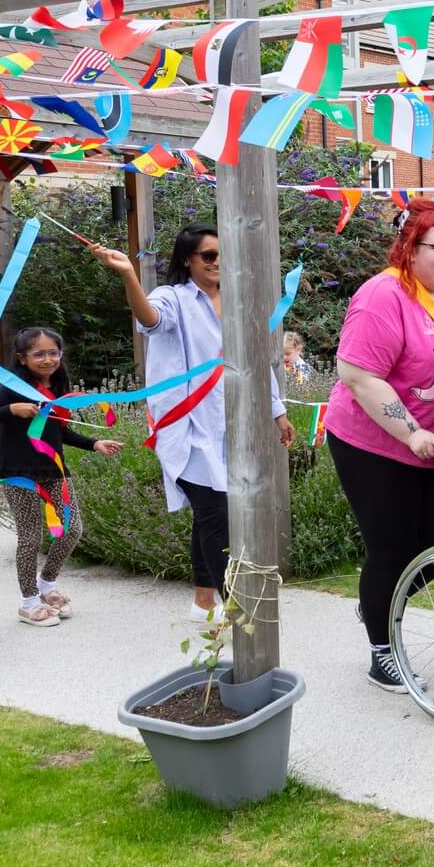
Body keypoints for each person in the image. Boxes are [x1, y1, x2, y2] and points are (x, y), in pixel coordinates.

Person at [324, 200, 434, 691]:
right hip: (372, 442)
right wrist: (409, 431)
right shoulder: (383, 295)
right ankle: (382, 648)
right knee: (391, 547)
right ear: (408, 250)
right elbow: (357, 374)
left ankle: (379, 601)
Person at [94, 225, 292, 626]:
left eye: (222, 255)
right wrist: (129, 274)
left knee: (211, 515)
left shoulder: (239, 302)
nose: (217, 262)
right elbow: (149, 320)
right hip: (186, 428)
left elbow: (256, 359)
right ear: (188, 260)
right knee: (215, 512)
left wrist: (277, 410)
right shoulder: (173, 298)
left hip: (232, 429)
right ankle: (237, 606)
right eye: (208, 255)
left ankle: (203, 602)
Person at [0, 328, 122, 626]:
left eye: (53, 352)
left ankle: (47, 584)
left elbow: (59, 431)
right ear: (21, 358)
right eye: (38, 353)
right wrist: (11, 409)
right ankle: (28, 602)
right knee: (29, 538)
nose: (47, 359)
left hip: (55, 472)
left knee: (72, 529)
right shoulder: (13, 388)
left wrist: (94, 444)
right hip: (19, 474)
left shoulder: (60, 388)